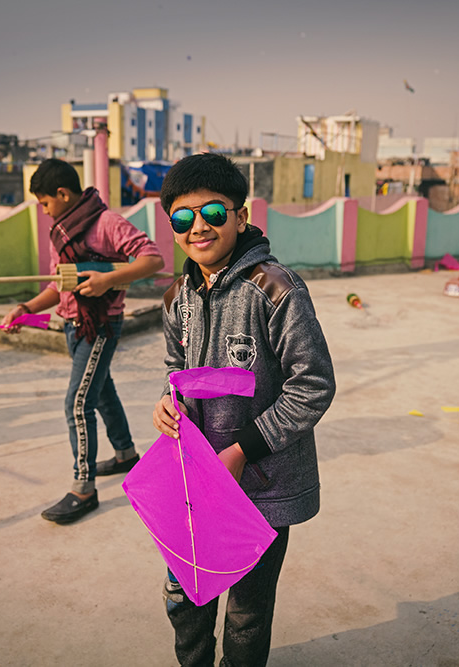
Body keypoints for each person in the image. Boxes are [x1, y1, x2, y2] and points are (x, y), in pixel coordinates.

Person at [153, 152, 335, 665]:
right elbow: (176, 369)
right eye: (183, 219)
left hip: (264, 487)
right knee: (185, 597)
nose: (198, 228)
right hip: (197, 481)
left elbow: (314, 384)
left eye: (212, 212)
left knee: (246, 613)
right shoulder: (176, 299)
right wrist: (169, 406)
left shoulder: (276, 289)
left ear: (240, 214)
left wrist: (242, 450)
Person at [0, 158, 163, 524]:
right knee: (101, 390)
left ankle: (83, 489)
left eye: (45, 203)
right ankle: (124, 455)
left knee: (77, 402)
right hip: (73, 325)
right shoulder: (61, 231)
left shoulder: (106, 223)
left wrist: (106, 280)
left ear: (62, 193)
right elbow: (60, 287)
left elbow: (153, 259)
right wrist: (23, 308)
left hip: (101, 326)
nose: (43, 211)